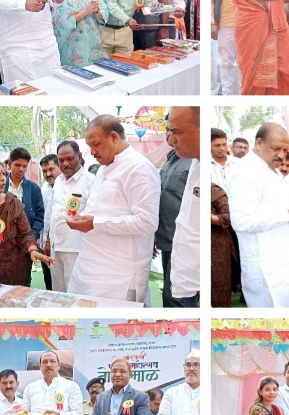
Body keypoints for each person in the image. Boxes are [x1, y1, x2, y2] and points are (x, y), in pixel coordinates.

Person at [66, 116, 160, 303]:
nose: (92, 152)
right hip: (89, 267)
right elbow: (104, 209)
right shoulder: (104, 168)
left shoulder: (139, 168)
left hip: (117, 277)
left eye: (96, 144)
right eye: (89, 146)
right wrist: (83, 218)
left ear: (114, 137)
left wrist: (95, 223)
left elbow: (147, 222)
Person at [229, 122, 289, 307]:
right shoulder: (245, 171)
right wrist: (288, 214)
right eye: (276, 148)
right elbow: (242, 221)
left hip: (280, 263)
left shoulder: (269, 168)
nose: (281, 155)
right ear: (259, 143)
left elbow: (271, 204)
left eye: (284, 150)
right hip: (266, 269)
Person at [48, 141, 94, 292]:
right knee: (57, 291)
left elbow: (94, 214)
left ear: (79, 157)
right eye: (61, 160)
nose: (65, 164)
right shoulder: (58, 181)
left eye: (70, 159)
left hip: (76, 248)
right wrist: (48, 240)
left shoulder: (90, 181)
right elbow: (53, 212)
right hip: (56, 246)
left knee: (74, 291)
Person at [167, 107, 200, 307]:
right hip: (186, 277)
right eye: (169, 131)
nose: (171, 139)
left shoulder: (216, 170)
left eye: (177, 131)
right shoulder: (194, 162)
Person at [156, 133, 191, 308]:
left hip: (184, 242)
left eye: (175, 130)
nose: (170, 135)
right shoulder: (169, 159)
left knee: (177, 297)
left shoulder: (194, 162)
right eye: (168, 130)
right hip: (167, 238)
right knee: (169, 294)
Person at [52, 0, 109, 66]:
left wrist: (97, 11)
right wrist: (86, 11)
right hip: (73, 45)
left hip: (93, 41)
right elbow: (62, 22)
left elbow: (105, 14)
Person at [5, 147, 45, 287]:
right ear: (9, 164)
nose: (21, 169)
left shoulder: (33, 188)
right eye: (17, 165)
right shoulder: (0, 185)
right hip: (2, 240)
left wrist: (32, 236)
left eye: (24, 166)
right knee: (2, 279)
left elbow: (40, 215)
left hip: (26, 242)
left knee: (24, 280)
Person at [212, 182, 237, 308]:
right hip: (195, 245)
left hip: (218, 249)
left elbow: (228, 217)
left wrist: (209, 218)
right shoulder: (191, 190)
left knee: (219, 289)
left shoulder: (214, 191)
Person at [40, 153, 62, 291]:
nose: (48, 174)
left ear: (60, 167)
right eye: (44, 171)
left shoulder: (64, 187)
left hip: (61, 244)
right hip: (43, 244)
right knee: (48, 281)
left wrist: (49, 240)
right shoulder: (43, 189)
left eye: (51, 169)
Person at [211, 128, 235, 192]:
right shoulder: (202, 165)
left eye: (224, 144)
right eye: (217, 145)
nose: (222, 148)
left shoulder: (238, 163)